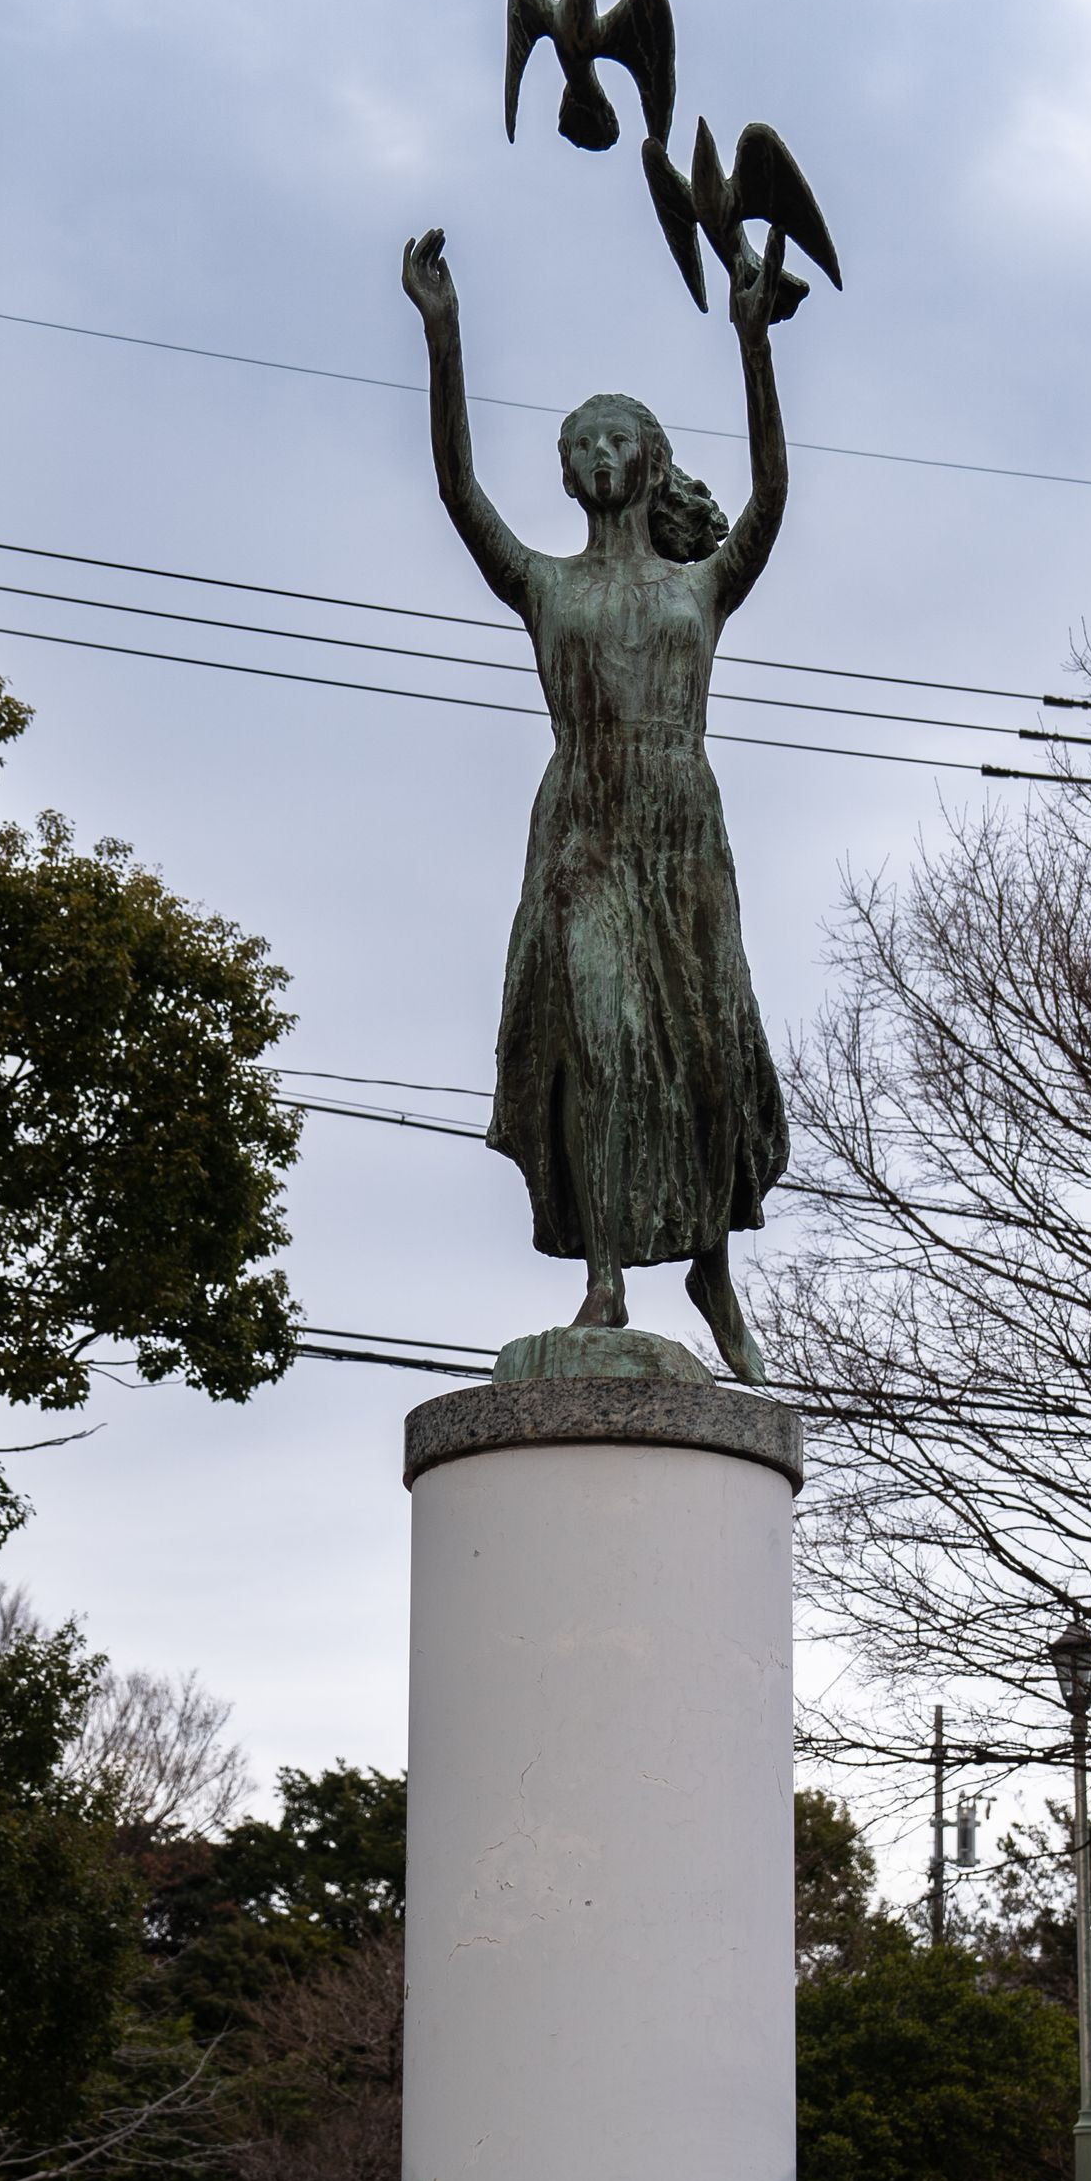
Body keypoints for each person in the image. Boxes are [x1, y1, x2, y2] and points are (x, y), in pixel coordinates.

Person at [401, 221, 793, 1383]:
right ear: (569, 472)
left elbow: (773, 494)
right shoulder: (546, 585)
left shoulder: (701, 587)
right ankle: (607, 1277)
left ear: (652, 462)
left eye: (621, 438)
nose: (603, 452)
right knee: (604, 1041)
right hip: (581, 830)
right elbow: (457, 491)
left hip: (682, 831)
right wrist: (444, 335)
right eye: (584, 443)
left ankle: (712, 1263)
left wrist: (754, 342)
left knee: (709, 1054)